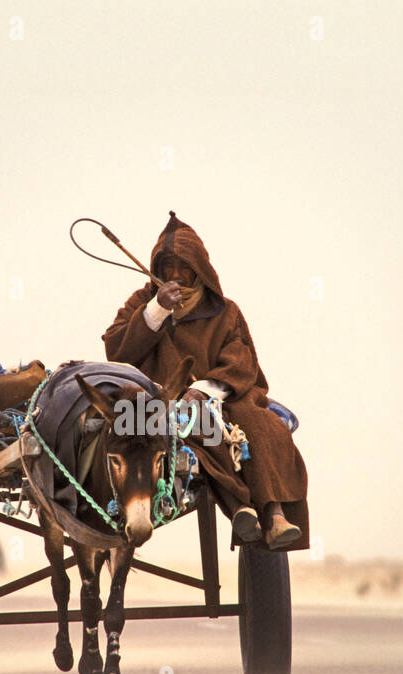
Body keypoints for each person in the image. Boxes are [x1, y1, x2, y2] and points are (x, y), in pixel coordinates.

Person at [102, 211, 309, 550]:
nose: (176, 274)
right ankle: (242, 506)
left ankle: (272, 514)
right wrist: (155, 311)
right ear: (157, 269)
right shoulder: (141, 303)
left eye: (184, 267)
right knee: (195, 430)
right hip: (156, 405)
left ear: (200, 270)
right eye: (168, 267)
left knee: (262, 427)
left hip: (222, 397)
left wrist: (202, 391)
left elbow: (241, 364)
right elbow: (116, 350)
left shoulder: (226, 312)